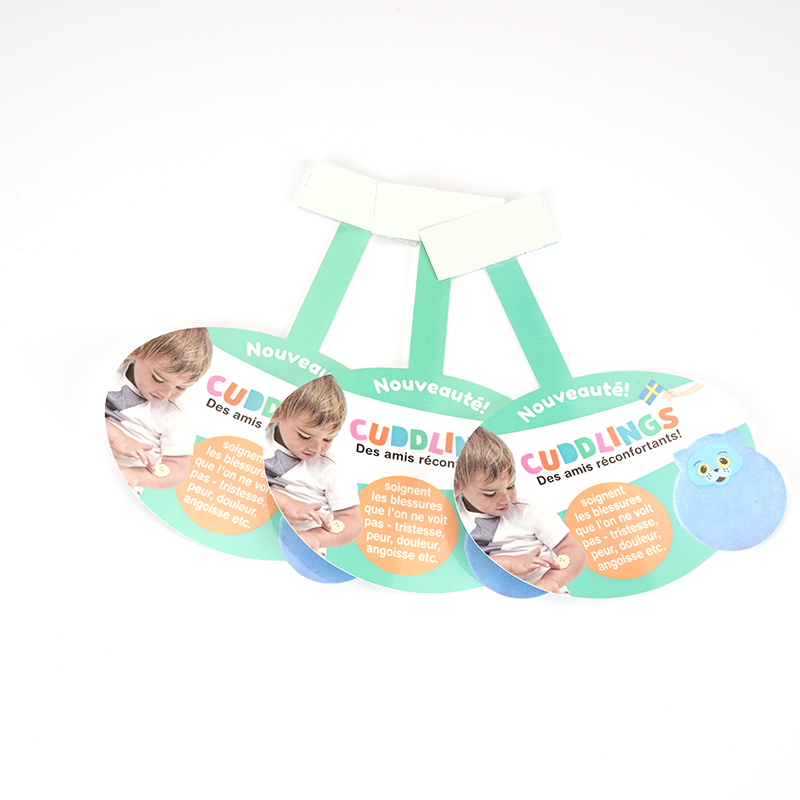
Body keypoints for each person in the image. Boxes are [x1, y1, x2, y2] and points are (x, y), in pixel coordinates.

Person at [454, 427, 585, 594]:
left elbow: (573, 550)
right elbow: (467, 566)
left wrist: (552, 581)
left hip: (544, 592)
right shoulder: (453, 518)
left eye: (510, 486)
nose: (506, 499)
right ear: (457, 486)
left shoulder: (527, 512)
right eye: (490, 493)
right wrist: (511, 563)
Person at [105, 328, 213, 493]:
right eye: (158, 379)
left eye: (181, 387)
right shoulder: (109, 370)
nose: (167, 393)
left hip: (119, 486)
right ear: (137, 351)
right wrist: (116, 437)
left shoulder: (175, 416)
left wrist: (135, 476)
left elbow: (178, 471)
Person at [263, 375, 362, 553]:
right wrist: (287, 504)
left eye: (328, 439)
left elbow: (352, 523)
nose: (317, 448)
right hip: (254, 535)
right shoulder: (259, 439)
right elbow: (243, 480)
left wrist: (315, 538)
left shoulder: (331, 468)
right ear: (278, 413)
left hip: (299, 551)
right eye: (305, 436)